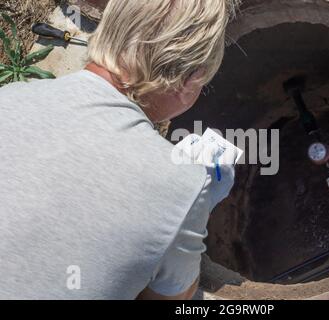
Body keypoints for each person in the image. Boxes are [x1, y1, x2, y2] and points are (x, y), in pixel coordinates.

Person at [0, 0, 240, 300]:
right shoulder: (182, 186)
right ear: (189, 81)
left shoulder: (8, 99)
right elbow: (171, 299)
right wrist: (191, 202)